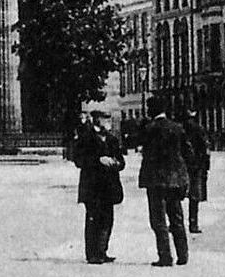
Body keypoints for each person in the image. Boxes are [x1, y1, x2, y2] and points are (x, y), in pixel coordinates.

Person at [138, 99, 193, 267]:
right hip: (175, 180)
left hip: (156, 180)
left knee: (158, 220)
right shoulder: (177, 128)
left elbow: (145, 153)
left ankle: (165, 256)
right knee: (176, 217)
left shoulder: (149, 129)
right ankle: (183, 255)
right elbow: (188, 152)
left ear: (153, 110)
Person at [74, 110, 125, 264]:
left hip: (109, 186)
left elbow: (122, 162)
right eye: (105, 119)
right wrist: (98, 160)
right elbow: (78, 160)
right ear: (97, 120)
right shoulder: (86, 138)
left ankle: (102, 251)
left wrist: (115, 163)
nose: (108, 123)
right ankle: (92, 254)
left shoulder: (112, 140)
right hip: (92, 186)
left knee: (107, 219)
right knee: (93, 219)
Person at [180, 107, 211, 233]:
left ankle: (175, 223)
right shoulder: (199, 129)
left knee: (176, 196)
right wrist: (206, 166)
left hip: (182, 166)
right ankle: (193, 224)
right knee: (194, 197)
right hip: (196, 166)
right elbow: (205, 148)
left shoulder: (179, 129)